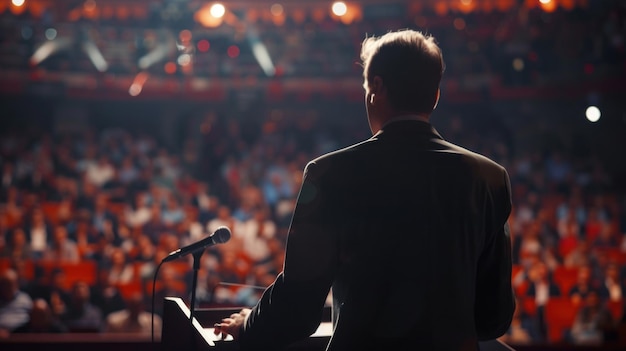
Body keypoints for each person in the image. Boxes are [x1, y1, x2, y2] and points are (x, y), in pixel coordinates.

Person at [214, 29, 515, 350]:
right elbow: (493, 317)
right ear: (436, 95)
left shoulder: (330, 173)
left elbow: (299, 308)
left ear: (377, 89)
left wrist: (248, 324)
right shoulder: (489, 178)